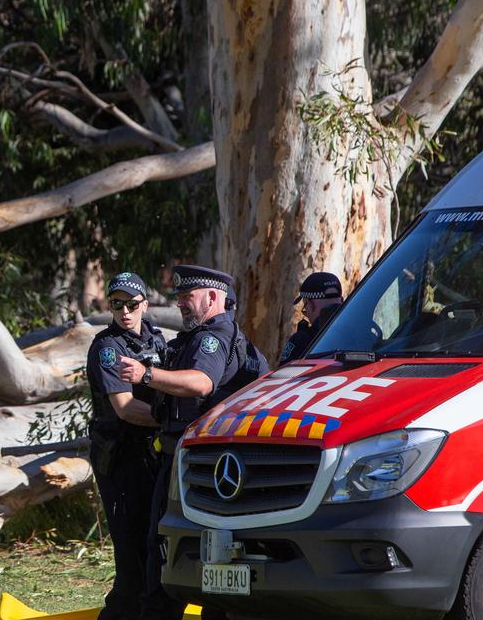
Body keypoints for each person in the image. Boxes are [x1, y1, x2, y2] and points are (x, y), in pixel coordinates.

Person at [118, 264, 267, 620]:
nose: (182, 304)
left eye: (188, 297)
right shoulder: (207, 336)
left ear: (213, 297)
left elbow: (201, 382)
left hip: (197, 469)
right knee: (208, 564)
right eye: (180, 297)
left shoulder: (212, 337)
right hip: (213, 469)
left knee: (167, 559)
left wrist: (148, 375)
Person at [84, 272, 167, 620]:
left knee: (155, 550)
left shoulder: (157, 340)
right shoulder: (107, 348)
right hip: (120, 459)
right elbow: (126, 408)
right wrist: (174, 422)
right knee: (131, 558)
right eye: (117, 305)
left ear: (145, 305)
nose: (125, 312)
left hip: (152, 456)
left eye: (132, 304)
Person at [279, 271, 345, 365]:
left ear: (310, 304)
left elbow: (283, 375)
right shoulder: (363, 333)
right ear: (341, 300)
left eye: (305, 306)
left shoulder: (301, 341)